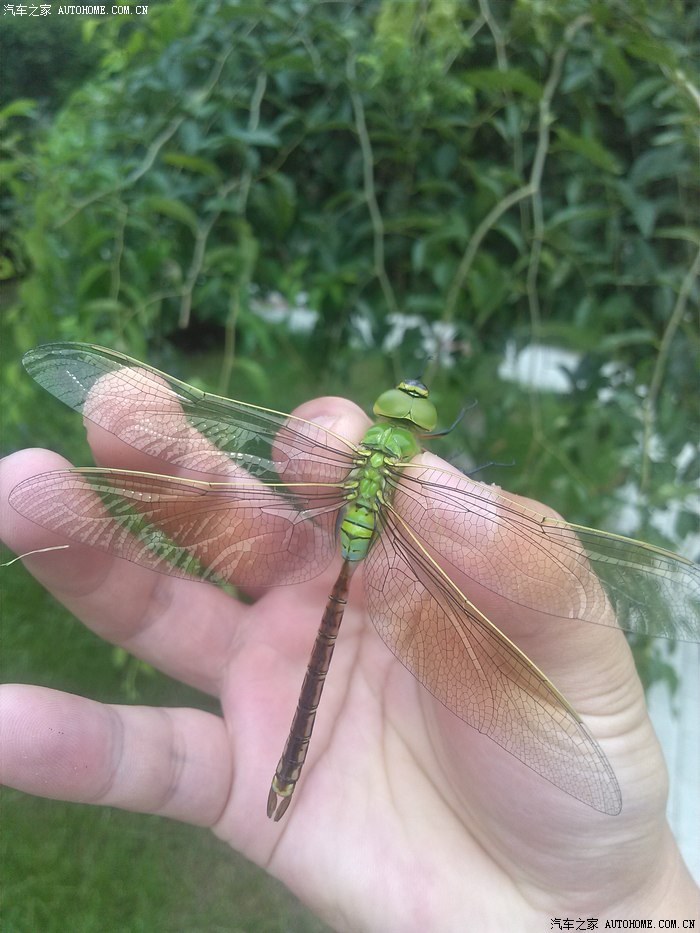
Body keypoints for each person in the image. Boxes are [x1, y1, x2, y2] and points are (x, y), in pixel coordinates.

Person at [1, 389, 698, 931]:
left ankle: (289, 771)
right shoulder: (407, 473)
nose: (409, 406)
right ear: (418, 433)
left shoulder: (370, 458)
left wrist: (620, 902)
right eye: (409, 408)